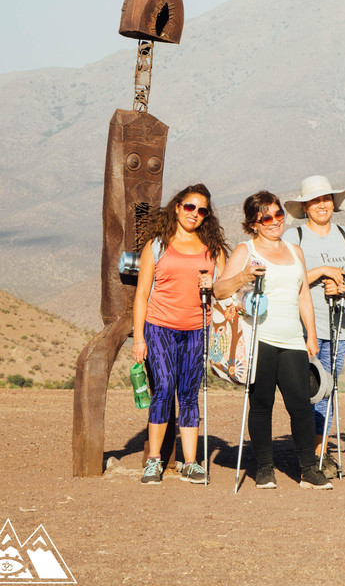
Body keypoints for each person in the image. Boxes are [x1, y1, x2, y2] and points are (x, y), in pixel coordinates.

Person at [214, 191, 332, 490]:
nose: (275, 221)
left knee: (301, 404)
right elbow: (219, 290)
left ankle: (309, 470)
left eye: (278, 214)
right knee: (262, 403)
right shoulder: (245, 250)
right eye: (266, 217)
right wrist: (243, 276)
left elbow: (304, 293)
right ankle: (264, 468)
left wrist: (312, 335)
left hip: (292, 338)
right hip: (259, 338)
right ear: (253, 223)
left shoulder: (295, 251)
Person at [133, 183, 228, 485]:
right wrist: (138, 338)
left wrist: (211, 286)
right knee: (163, 386)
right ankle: (153, 460)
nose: (195, 214)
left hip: (197, 329)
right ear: (177, 207)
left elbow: (225, 292)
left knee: (188, 393)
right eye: (189, 207)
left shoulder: (213, 250)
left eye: (201, 210)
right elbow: (142, 294)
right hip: (159, 327)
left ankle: (191, 462)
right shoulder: (157, 245)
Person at [283, 175, 345, 476]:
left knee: (328, 390)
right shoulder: (295, 238)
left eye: (326, 199)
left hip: (339, 326)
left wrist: (344, 287)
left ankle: (318, 454)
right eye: (315, 200)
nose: (322, 205)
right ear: (305, 206)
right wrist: (321, 271)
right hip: (304, 328)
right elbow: (288, 279)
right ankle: (311, 453)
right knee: (308, 390)